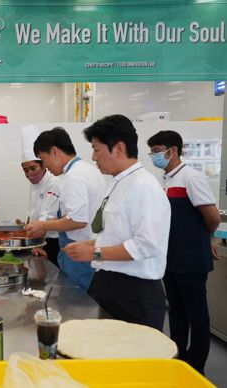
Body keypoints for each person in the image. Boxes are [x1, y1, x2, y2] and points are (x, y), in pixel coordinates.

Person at [63, 114, 171, 331]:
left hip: (134, 295)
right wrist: (91, 245)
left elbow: (147, 245)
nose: (94, 157)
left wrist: (95, 253)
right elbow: (116, 234)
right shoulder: (118, 182)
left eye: (97, 149)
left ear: (119, 148)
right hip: (109, 284)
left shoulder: (143, 186)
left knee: (132, 362)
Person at [147, 130, 220, 372]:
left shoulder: (191, 177)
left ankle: (196, 366)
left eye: (157, 151)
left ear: (173, 151)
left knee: (197, 314)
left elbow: (212, 217)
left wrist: (202, 239)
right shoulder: (166, 180)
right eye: (153, 151)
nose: (154, 156)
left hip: (191, 259)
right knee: (176, 311)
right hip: (171, 258)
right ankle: (178, 358)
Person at [25, 127, 106, 290]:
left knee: (77, 305)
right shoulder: (87, 169)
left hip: (80, 253)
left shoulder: (73, 176)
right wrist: (56, 221)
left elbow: (78, 220)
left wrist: (44, 226)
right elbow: (82, 214)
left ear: (54, 151)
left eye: (43, 158)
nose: (45, 166)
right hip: (88, 248)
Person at [21, 158, 61, 266]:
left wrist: (28, 243)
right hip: (38, 241)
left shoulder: (54, 183)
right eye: (25, 170)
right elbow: (31, 213)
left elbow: (47, 217)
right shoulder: (34, 183)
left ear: (43, 166)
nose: (29, 173)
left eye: (33, 168)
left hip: (53, 243)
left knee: (54, 279)